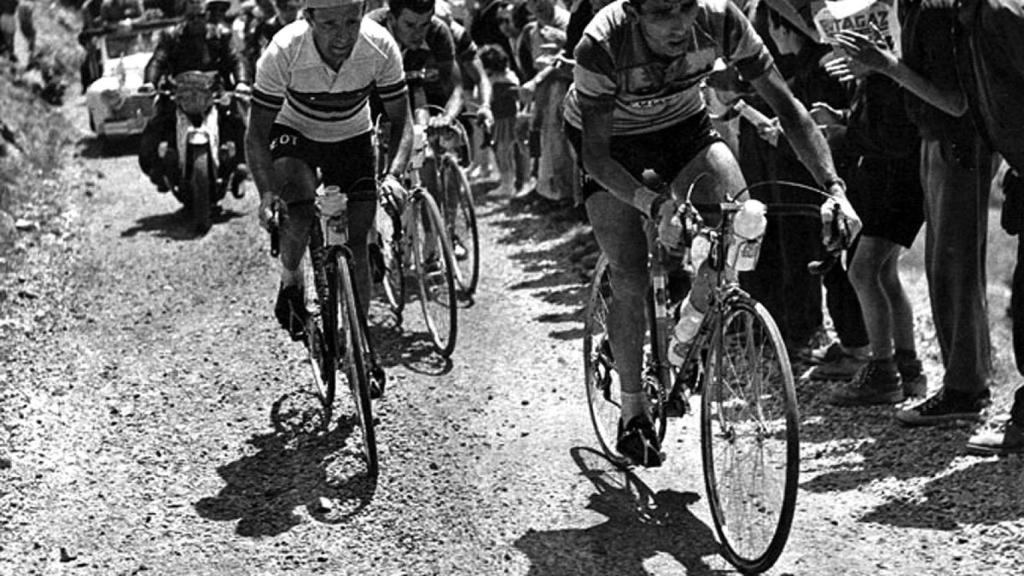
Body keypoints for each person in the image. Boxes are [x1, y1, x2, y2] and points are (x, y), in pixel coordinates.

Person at [564, 0, 860, 466]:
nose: (679, 24)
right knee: (629, 269)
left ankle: (687, 332)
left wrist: (835, 190)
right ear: (635, 12)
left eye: (685, 7)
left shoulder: (722, 19)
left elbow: (789, 108)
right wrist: (655, 205)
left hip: (684, 127)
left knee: (740, 225)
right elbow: (596, 159)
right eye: (661, 13)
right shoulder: (602, 43)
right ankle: (633, 411)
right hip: (610, 144)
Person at [834, 0, 994, 426]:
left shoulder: (934, 11)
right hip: (936, 140)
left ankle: (966, 389)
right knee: (943, 268)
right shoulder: (913, 8)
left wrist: (887, 65)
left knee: (955, 270)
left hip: (956, 143)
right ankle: (962, 383)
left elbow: (956, 101)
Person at [246, 0, 412, 359]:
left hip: (351, 135)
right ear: (308, 18)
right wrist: (266, 194)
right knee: (301, 211)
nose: (343, 36)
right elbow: (256, 134)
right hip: (295, 132)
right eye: (330, 24)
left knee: (356, 243)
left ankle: (359, 344)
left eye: (352, 21)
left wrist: (395, 175)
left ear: (364, 11)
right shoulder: (284, 51)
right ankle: (290, 279)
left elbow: (402, 119)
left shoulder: (379, 45)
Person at [814, 72, 926, 406]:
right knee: (885, 275)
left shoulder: (885, 79)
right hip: (892, 184)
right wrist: (841, 118)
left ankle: (882, 372)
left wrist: (844, 135)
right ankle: (908, 367)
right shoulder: (875, 80)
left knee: (861, 272)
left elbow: (892, 138)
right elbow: (875, 123)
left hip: (895, 186)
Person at [366, 0, 469, 258]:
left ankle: (439, 237)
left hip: (418, 91)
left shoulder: (438, 31)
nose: (418, 32)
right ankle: (372, 238)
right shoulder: (370, 31)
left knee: (428, 156)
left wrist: (446, 117)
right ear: (392, 17)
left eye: (424, 24)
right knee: (369, 164)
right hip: (375, 97)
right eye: (410, 24)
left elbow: (457, 88)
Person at [138, 0, 251, 193]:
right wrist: (150, 82)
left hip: (213, 91)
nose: (196, 21)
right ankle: (157, 168)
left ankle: (241, 164)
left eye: (200, 16)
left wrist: (241, 82)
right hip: (179, 93)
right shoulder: (171, 36)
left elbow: (236, 58)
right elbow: (158, 60)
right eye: (192, 17)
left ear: (206, 16)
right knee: (157, 123)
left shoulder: (220, 34)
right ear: (184, 16)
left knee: (236, 119)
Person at [478, 43, 520, 196]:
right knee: (503, 153)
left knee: (504, 154)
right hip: (504, 120)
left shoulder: (499, 81)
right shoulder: (510, 76)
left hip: (505, 121)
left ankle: (507, 185)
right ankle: (507, 182)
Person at [243, 0, 303, 78]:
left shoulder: (304, 26)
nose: (288, 12)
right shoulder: (267, 27)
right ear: (277, 7)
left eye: (292, 8)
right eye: (284, 8)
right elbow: (262, 50)